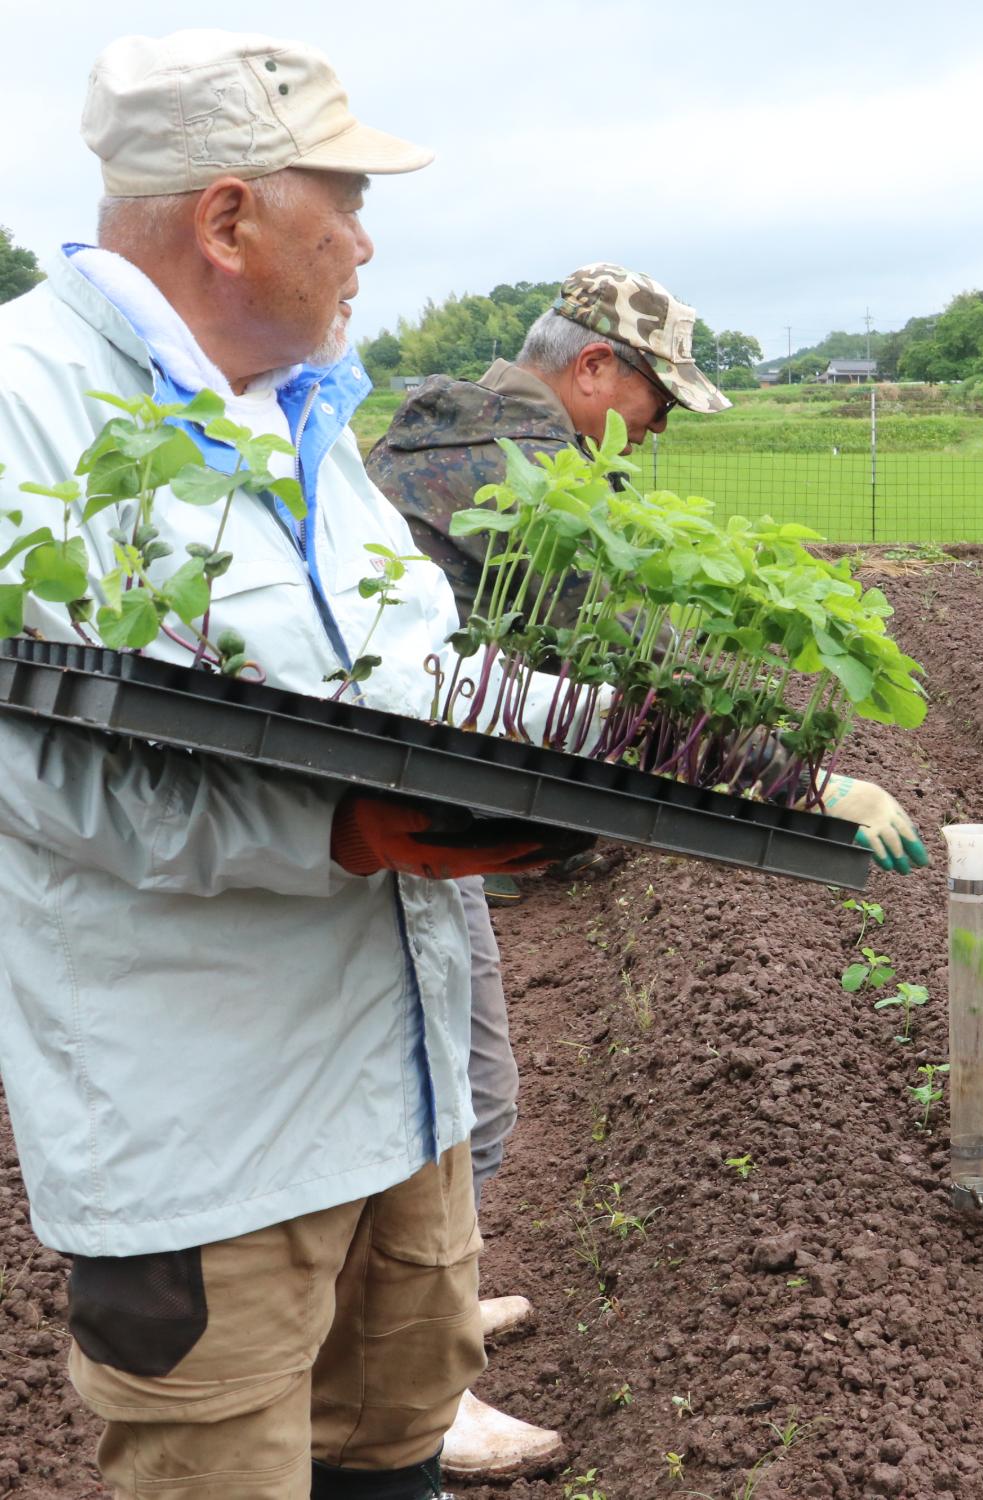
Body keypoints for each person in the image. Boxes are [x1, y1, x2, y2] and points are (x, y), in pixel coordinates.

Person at [0, 31, 574, 1497]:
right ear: (229, 218)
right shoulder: (28, 411)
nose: (368, 246)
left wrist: (613, 753)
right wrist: (334, 833)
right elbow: (34, 772)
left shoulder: (303, 413)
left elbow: (419, 678)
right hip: (209, 1139)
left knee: (392, 1460)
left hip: (402, 1092)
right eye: (346, 206)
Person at [365, 266, 929, 1479]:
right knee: (430, 1105)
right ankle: (409, 1390)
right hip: (372, 841)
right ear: (594, 372)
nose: (660, 429)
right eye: (660, 398)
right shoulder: (517, 478)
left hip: (410, 828)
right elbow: (614, 683)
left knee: (470, 1086)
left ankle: (432, 1314)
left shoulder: (468, 443)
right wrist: (808, 782)